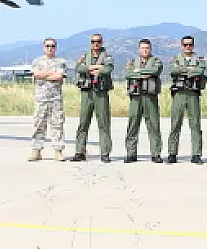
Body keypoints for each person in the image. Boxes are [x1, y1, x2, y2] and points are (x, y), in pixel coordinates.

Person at [71, 33, 115, 162]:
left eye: (98, 41)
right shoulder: (85, 56)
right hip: (87, 92)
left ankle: (105, 153)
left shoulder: (107, 56)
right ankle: (79, 152)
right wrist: (95, 67)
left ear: (102, 42)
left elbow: (108, 69)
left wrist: (94, 69)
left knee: (104, 123)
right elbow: (78, 67)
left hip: (101, 93)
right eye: (93, 41)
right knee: (83, 122)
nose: (96, 44)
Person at [166, 34, 207, 163]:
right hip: (179, 93)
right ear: (181, 46)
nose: (188, 47)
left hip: (193, 94)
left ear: (193, 46)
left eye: (190, 45)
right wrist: (190, 69)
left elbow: (200, 71)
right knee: (175, 123)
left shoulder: (199, 59)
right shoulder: (175, 58)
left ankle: (196, 154)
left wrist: (183, 70)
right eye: (185, 45)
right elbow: (173, 70)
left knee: (195, 124)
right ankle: (172, 153)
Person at [124, 38, 164, 163]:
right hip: (136, 97)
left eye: (147, 48)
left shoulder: (156, 61)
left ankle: (156, 153)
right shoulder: (132, 62)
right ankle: (131, 153)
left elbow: (155, 70)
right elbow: (128, 74)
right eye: (143, 48)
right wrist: (143, 74)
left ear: (150, 49)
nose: (145, 50)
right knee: (133, 125)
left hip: (150, 97)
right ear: (139, 49)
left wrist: (139, 72)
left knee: (153, 125)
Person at [28, 37, 67, 161]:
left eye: (52, 46)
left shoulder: (60, 62)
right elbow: (36, 74)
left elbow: (59, 76)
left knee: (57, 124)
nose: (50, 48)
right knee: (39, 124)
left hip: (56, 98)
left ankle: (58, 151)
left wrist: (44, 75)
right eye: (47, 46)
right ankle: (36, 151)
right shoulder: (37, 61)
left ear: (56, 48)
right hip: (41, 98)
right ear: (43, 47)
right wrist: (50, 75)